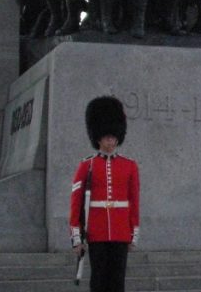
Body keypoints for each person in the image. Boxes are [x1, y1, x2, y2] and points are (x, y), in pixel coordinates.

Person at [70, 96, 140, 292]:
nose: (111, 140)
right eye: (106, 136)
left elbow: (134, 200)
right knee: (98, 279)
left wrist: (133, 232)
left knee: (117, 280)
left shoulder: (129, 166)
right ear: (98, 137)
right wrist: (76, 236)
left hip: (120, 230)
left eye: (113, 136)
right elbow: (76, 202)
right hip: (96, 230)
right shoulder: (87, 165)